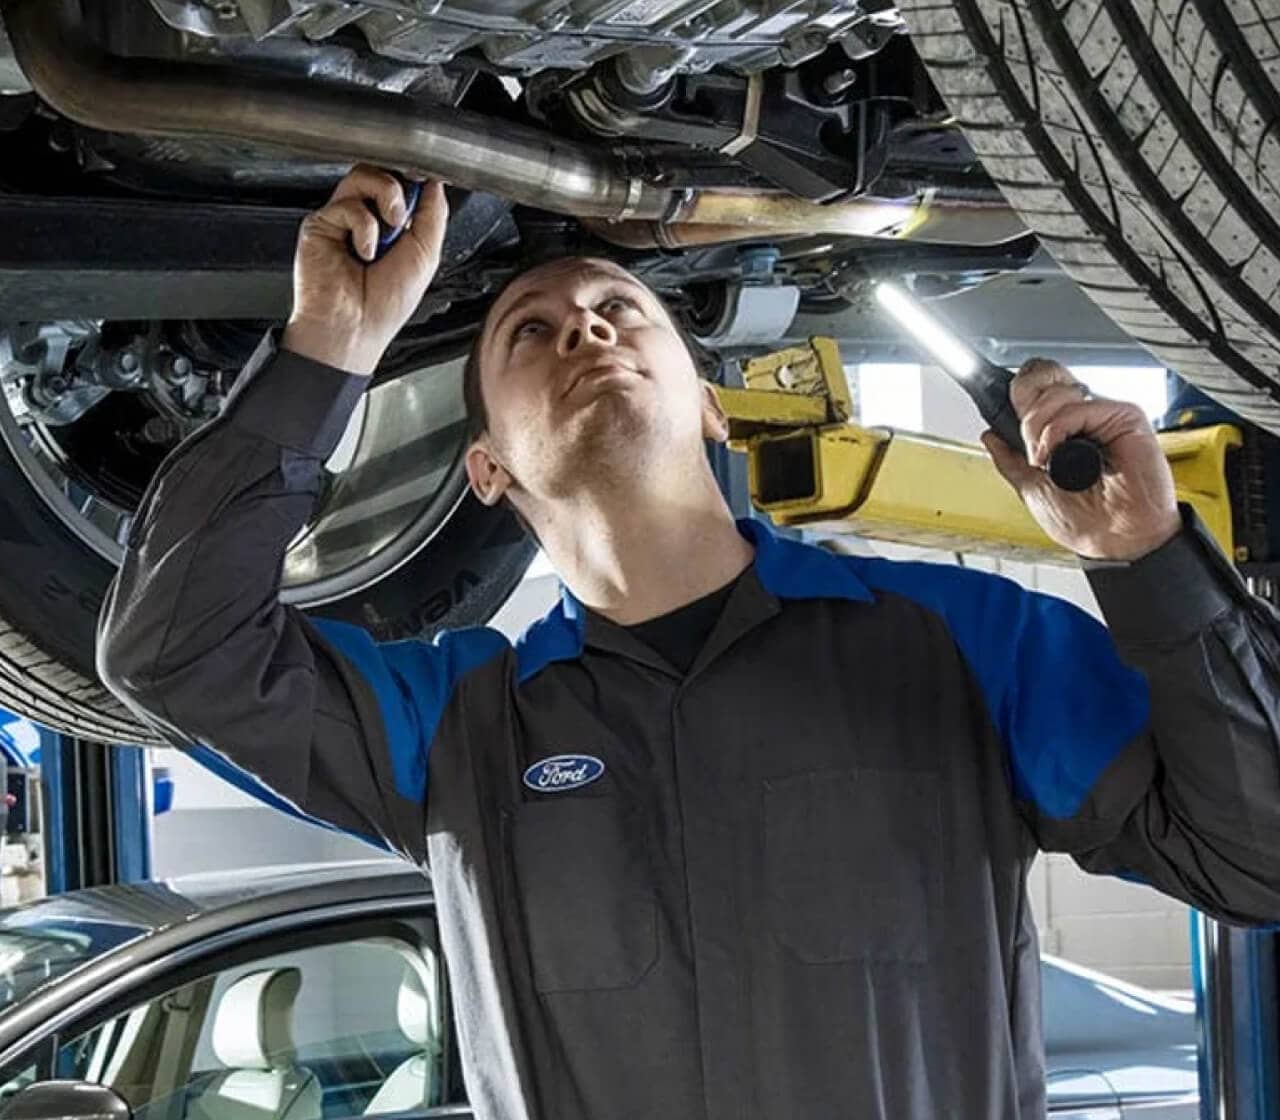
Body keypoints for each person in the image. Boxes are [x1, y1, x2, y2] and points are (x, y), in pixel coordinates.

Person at [98, 166, 1280, 1120]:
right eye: (531, 331)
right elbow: (171, 651)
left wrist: (1147, 563)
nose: (587, 330)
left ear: (713, 403)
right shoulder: (454, 725)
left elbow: (1253, 858)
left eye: (623, 310)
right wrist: (326, 350)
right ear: (488, 469)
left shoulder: (961, 643)